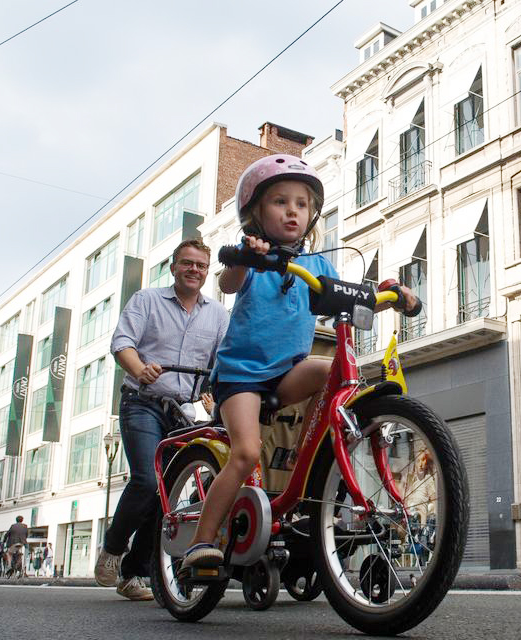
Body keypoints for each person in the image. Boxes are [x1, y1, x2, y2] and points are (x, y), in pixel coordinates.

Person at [179, 154, 419, 574]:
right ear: (256, 213)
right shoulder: (254, 259)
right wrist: (241, 257)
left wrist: (390, 291)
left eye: (302, 204)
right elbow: (228, 282)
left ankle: (308, 458)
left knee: (333, 376)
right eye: (280, 202)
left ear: (311, 216)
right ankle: (202, 541)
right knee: (246, 453)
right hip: (241, 378)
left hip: (287, 373)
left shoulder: (318, 264)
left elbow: (352, 293)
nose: (292, 211)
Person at [93, 237, 230, 601]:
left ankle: (134, 574)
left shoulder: (218, 315)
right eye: (187, 263)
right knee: (145, 479)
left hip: (182, 414)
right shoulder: (147, 300)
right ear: (173, 267)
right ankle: (112, 549)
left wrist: (212, 388)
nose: (194, 270)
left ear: (207, 271)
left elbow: (222, 361)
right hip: (143, 401)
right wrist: (140, 370)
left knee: (166, 496)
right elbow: (122, 343)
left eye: (200, 265)